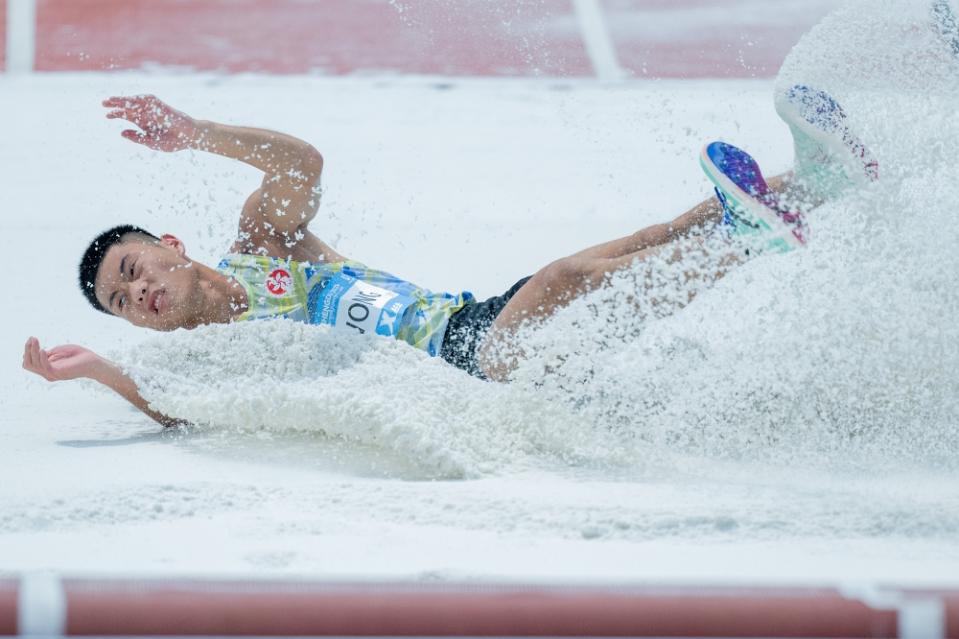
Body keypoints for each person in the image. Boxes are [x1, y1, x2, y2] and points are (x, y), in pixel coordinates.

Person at [21, 85, 876, 427]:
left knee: (645, 243)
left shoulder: (260, 248)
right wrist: (98, 368)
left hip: (469, 321)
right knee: (571, 280)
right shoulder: (200, 356)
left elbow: (299, 166)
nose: (136, 294)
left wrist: (197, 134)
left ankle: (817, 184)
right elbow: (176, 409)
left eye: (132, 269)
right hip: (456, 371)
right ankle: (748, 234)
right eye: (120, 300)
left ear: (169, 248)